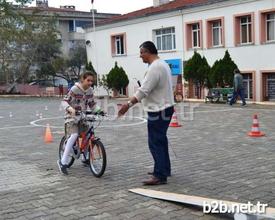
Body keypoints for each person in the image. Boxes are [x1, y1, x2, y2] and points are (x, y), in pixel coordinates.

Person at [118, 41, 175, 185]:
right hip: (166, 107)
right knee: (161, 141)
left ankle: (160, 175)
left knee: (155, 142)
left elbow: (143, 91)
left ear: (149, 52)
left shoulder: (155, 68)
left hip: (159, 110)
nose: (140, 55)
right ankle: (164, 168)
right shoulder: (162, 64)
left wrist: (128, 104)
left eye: (142, 52)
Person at [57, 71, 103, 175]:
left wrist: (100, 111)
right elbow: (64, 101)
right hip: (72, 117)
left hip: (83, 117)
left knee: (89, 134)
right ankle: (63, 162)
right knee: (74, 135)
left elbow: (92, 104)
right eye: (88, 80)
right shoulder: (75, 89)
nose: (90, 83)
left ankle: (85, 157)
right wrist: (70, 109)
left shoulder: (90, 90)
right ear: (83, 79)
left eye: (92, 81)